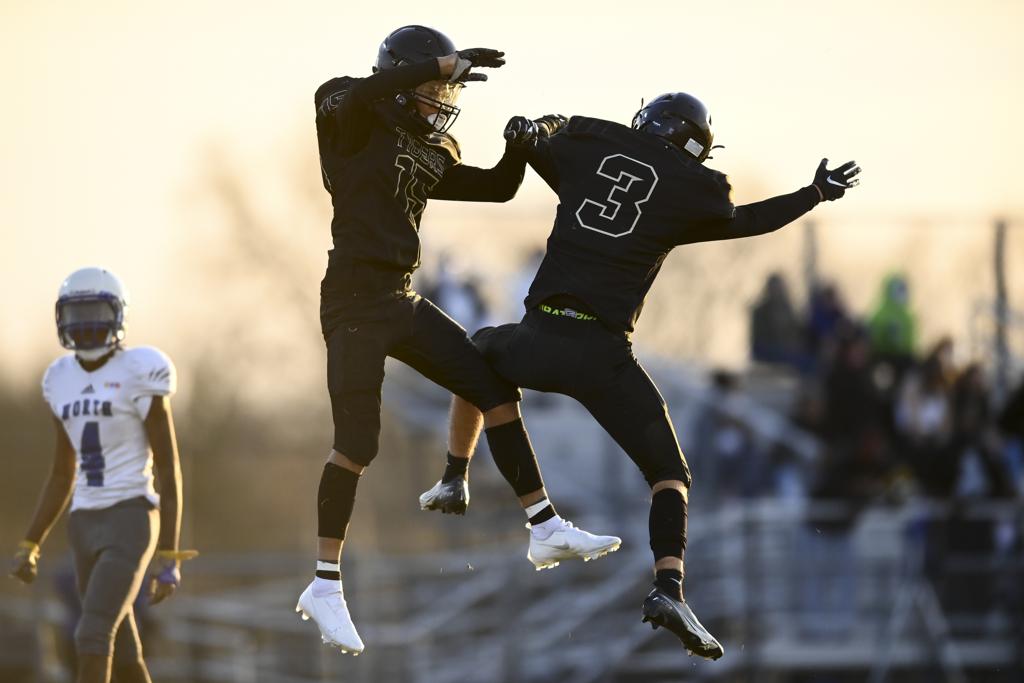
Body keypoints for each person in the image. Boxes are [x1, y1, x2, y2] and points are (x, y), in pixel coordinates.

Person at [428, 92, 861, 659]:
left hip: (538, 335)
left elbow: (538, 147)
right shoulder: (687, 188)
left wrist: (531, 132)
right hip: (602, 354)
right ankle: (668, 588)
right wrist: (813, 193)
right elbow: (748, 220)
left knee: (476, 355)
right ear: (693, 145)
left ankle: (455, 474)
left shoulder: (591, 147)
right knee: (669, 473)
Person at [299, 25, 619, 655]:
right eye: (427, 86)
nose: (438, 99)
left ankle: (542, 524)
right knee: (358, 443)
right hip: (353, 303)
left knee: (493, 384)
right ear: (399, 78)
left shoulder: (427, 146)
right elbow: (367, 91)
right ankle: (325, 583)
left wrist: (520, 147)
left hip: (400, 297)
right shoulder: (347, 111)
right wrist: (447, 61)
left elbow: (497, 187)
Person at [8, 267, 196, 683]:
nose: (87, 323)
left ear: (116, 315)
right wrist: (31, 540)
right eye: (77, 313)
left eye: (95, 311)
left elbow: (168, 466)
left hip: (130, 517)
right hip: (83, 523)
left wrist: (168, 552)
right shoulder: (59, 379)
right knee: (125, 654)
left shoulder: (140, 369)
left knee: (91, 634)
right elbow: (62, 473)